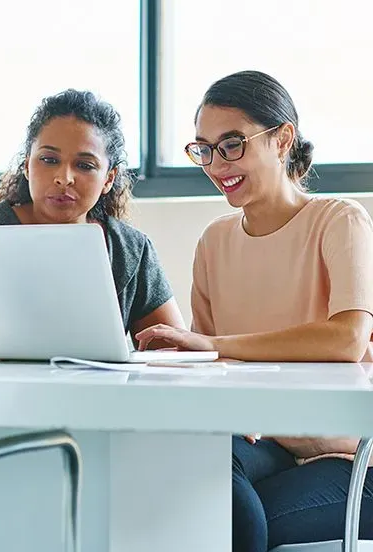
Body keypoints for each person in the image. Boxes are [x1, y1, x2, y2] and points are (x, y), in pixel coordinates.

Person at [136, 70, 373, 550]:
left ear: (283, 139)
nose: (217, 163)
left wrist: (216, 346)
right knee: (189, 469)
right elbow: (210, 369)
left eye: (232, 144)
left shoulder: (339, 221)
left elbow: (346, 340)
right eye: (204, 148)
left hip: (349, 461)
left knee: (218, 517)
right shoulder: (215, 241)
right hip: (263, 444)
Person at [0, 89, 184, 357]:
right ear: (26, 165)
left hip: (94, 400)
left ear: (109, 178)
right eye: (48, 159)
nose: (64, 178)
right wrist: (40, 344)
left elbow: (172, 349)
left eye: (84, 165)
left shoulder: (130, 249)